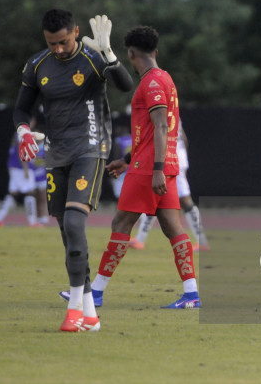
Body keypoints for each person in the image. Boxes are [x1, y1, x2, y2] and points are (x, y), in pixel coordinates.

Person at [60, 26, 200, 310]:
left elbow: (161, 126)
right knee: (173, 227)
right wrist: (126, 159)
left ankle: (96, 291)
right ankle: (192, 292)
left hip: (151, 167)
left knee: (121, 223)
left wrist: (155, 168)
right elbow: (150, 131)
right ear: (155, 52)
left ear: (132, 54)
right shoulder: (165, 78)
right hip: (161, 163)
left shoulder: (150, 83)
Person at [13, 9, 134, 332]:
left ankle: (74, 310)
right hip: (55, 154)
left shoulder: (93, 59)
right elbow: (22, 108)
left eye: (64, 42)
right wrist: (23, 130)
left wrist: (109, 54)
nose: (59, 49)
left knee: (74, 221)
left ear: (76, 32)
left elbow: (126, 86)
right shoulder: (37, 65)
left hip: (91, 149)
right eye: (52, 43)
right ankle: (91, 315)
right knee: (68, 234)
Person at [130, 120, 210, 251]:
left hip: (170, 158)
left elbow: (157, 135)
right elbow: (183, 137)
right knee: (156, 197)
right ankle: (140, 239)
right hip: (178, 157)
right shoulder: (174, 109)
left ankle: (202, 242)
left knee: (181, 199)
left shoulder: (159, 108)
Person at [0, 139, 39, 227]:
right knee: (30, 193)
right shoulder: (23, 132)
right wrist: (25, 168)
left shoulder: (17, 134)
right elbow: (21, 149)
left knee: (14, 194)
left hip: (15, 167)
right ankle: (32, 223)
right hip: (21, 168)